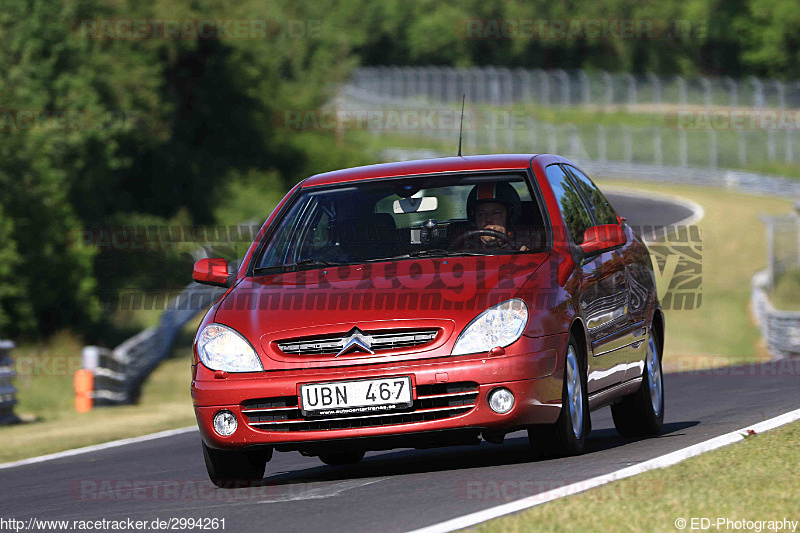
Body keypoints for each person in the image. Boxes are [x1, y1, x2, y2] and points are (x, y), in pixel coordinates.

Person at [460, 181, 528, 251]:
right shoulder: (461, 250)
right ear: (474, 219)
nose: (488, 219)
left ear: (509, 217)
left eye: (496, 213)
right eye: (482, 214)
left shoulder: (525, 248)